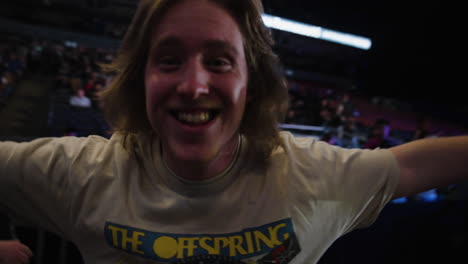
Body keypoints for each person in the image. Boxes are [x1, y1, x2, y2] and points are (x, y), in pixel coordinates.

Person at [0, 0, 467, 263]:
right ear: (141, 79)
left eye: (219, 61)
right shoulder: (82, 172)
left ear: (253, 84)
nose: (193, 85)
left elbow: (409, 164)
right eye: (168, 60)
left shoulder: (315, 176)